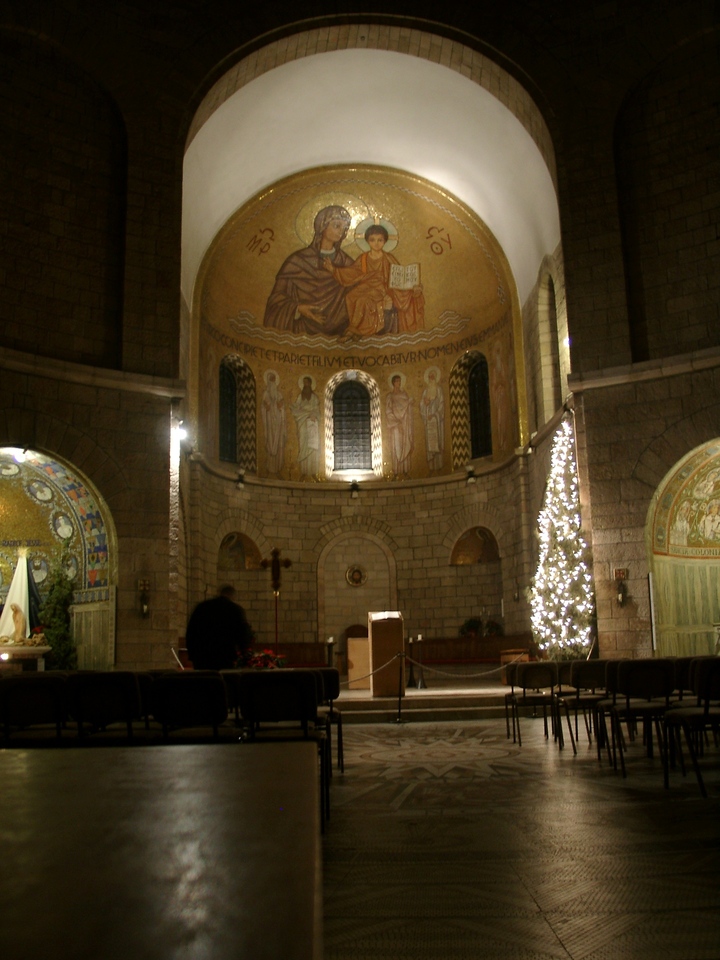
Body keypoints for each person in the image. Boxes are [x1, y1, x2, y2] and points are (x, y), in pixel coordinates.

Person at [263, 205, 355, 335]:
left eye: (344, 228)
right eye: (336, 226)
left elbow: (361, 292)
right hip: (302, 330)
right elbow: (277, 299)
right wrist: (297, 308)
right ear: (322, 226)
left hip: (340, 331)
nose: (341, 231)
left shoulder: (346, 263)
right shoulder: (297, 261)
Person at [324, 223, 425, 336]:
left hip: (381, 288)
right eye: (372, 240)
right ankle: (356, 329)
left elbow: (400, 277)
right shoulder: (363, 258)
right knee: (350, 297)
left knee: (363, 300)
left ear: (385, 241)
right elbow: (352, 272)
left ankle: (356, 330)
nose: (376, 243)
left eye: (380, 240)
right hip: (365, 286)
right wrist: (334, 270)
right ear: (367, 241)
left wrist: (412, 286)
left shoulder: (388, 258)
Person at [185, 585, 253, 670]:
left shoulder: (202, 607)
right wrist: (244, 653)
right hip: (224, 656)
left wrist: (192, 654)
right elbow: (242, 633)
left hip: (201, 656)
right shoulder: (235, 609)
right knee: (221, 677)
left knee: (203, 678)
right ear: (232, 596)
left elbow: (191, 631)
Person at [291, 376, 321, 478]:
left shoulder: (314, 397)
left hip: (312, 422)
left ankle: (313, 472)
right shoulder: (300, 396)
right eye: (304, 383)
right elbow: (296, 407)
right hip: (303, 421)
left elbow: (317, 410)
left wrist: (313, 415)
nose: (305, 385)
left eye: (307, 383)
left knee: (313, 445)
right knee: (303, 442)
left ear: (310, 384)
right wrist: (303, 412)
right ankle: (303, 472)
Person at [386, 373, 414, 478]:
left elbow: (407, 409)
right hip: (395, 426)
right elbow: (388, 412)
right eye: (397, 381)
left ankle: (405, 471)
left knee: (405, 445)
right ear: (393, 383)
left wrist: (409, 404)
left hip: (405, 424)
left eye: (399, 381)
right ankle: (396, 472)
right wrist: (397, 422)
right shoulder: (390, 396)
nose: (399, 383)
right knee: (396, 447)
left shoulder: (404, 395)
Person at [261, 370, 286, 476]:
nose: (273, 383)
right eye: (271, 380)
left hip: (278, 422)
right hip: (269, 422)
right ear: (268, 382)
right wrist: (266, 407)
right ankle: (269, 469)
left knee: (278, 442)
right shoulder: (266, 394)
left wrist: (281, 408)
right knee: (270, 441)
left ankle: (277, 470)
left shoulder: (279, 394)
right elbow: (263, 407)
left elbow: (282, 408)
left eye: (274, 381)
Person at [419, 366, 444, 473]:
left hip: (437, 421)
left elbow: (441, 404)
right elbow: (421, 404)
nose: (431, 378)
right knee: (430, 445)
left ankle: (439, 467)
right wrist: (424, 404)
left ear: (436, 378)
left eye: (433, 376)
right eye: (430, 377)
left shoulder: (438, 390)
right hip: (429, 422)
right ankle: (431, 468)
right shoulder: (426, 391)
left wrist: (435, 415)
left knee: (437, 443)